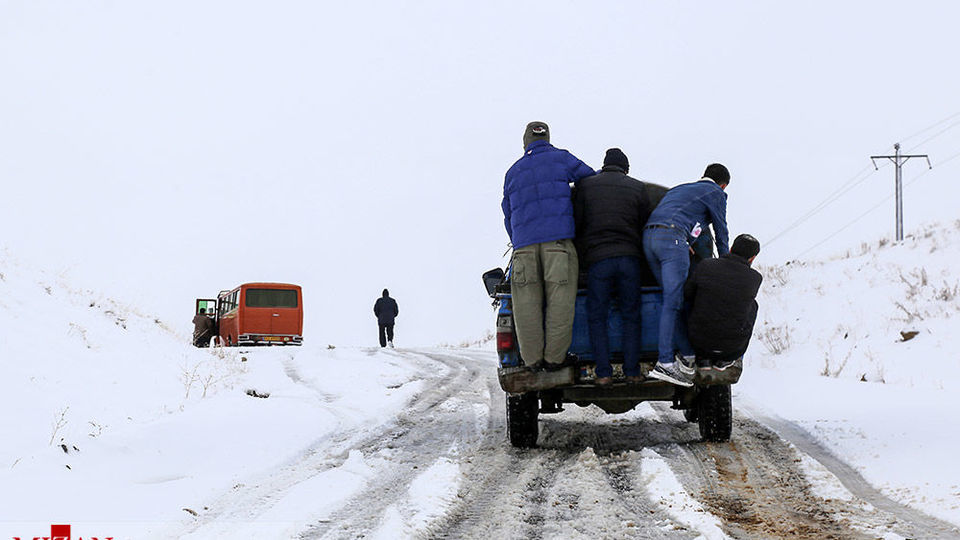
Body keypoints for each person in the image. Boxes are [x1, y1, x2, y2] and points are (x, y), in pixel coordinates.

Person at [502, 121, 594, 370]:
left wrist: (519, 238)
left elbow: (507, 213)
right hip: (558, 243)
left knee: (526, 306)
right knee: (560, 303)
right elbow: (590, 179)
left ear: (525, 142)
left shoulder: (513, 172)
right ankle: (555, 360)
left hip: (524, 249)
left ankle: (532, 362)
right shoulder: (561, 158)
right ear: (548, 138)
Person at [643, 163, 731, 386]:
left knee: (673, 300)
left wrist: (687, 242)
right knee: (673, 302)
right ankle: (665, 362)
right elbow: (721, 231)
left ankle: (687, 355)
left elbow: (689, 222)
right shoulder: (716, 193)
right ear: (723, 184)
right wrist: (728, 266)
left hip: (649, 240)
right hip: (672, 240)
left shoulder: (680, 189)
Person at [573, 148, 651, 385]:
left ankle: (604, 373)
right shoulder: (638, 188)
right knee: (631, 316)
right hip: (629, 259)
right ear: (625, 168)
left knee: (597, 316)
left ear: (604, 165)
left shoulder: (585, 186)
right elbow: (645, 225)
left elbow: (576, 224)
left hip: (599, 261)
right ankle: (631, 371)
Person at [685, 234, 763, 372]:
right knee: (753, 306)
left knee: (697, 295)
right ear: (753, 258)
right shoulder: (755, 278)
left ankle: (703, 358)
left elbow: (687, 294)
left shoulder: (706, 265)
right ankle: (724, 360)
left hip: (696, 342)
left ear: (731, 248)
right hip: (732, 349)